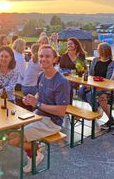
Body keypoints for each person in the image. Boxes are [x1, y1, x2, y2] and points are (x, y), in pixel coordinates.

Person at [9, 45, 70, 173]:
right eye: (41, 56)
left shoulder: (62, 82)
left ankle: (35, 154)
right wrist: (31, 99)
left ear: (55, 59)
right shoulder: (41, 75)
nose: (43, 59)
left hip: (52, 122)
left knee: (13, 139)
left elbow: (61, 111)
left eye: (47, 56)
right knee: (11, 129)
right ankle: (35, 149)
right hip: (38, 116)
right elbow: (39, 95)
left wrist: (37, 104)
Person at [78, 42, 114, 109]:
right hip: (92, 83)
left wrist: (93, 87)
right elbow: (90, 73)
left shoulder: (111, 63)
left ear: (106, 51)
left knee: (90, 95)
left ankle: (95, 110)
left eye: (99, 50)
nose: (98, 51)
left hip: (103, 86)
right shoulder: (95, 60)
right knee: (80, 92)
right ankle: (97, 106)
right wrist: (89, 85)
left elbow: (108, 79)